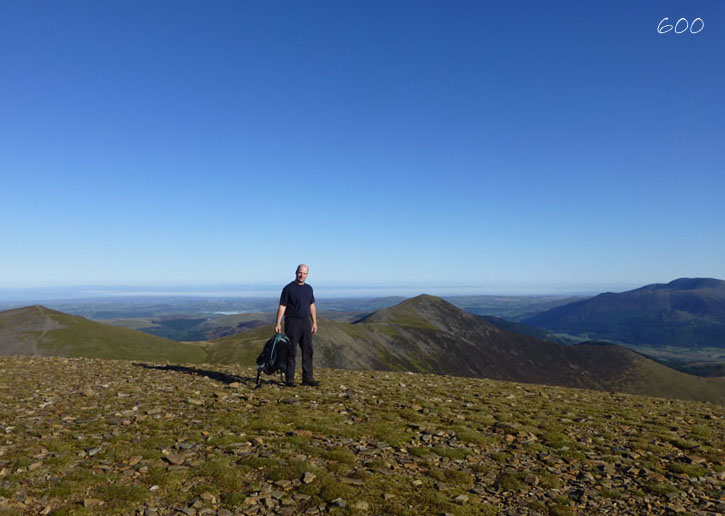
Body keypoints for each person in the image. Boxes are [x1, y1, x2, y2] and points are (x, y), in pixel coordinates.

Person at [274, 264, 319, 387]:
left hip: (306, 322)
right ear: (296, 272)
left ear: (307, 274)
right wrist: (278, 322)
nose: (302, 275)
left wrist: (314, 322)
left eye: (304, 273)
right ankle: (290, 379)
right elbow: (282, 306)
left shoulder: (309, 289)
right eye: (300, 272)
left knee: (308, 351)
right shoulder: (288, 288)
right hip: (292, 322)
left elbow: (312, 305)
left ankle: (308, 378)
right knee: (291, 351)